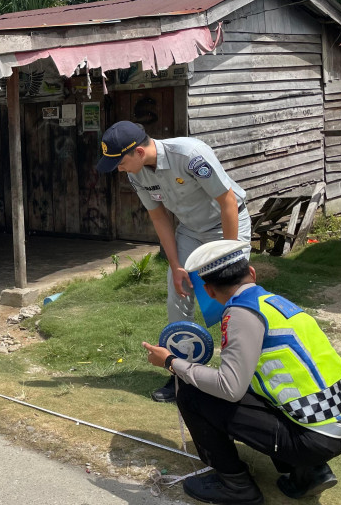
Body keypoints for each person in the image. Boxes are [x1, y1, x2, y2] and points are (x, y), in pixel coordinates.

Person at [143, 239, 341, 505]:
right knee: (254, 384)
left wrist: (171, 362)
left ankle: (235, 484)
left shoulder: (240, 313)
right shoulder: (275, 303)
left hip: (313, 439)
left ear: (208, 291)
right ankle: (310, 471)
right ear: (253, 274)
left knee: (190, 390)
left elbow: (229, 387)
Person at [95, 120, 249, 402]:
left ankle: (240, 375)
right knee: (178, 294)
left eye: (120, 162)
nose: (119, 169)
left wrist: (227, 256)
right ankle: (181, 375)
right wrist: (176, 265)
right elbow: (159, 217)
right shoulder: (137, 174)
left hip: (225, 225)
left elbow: (227, 201)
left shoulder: (190, 155)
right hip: (189, 230)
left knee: (234, 297)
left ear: (139, 152)